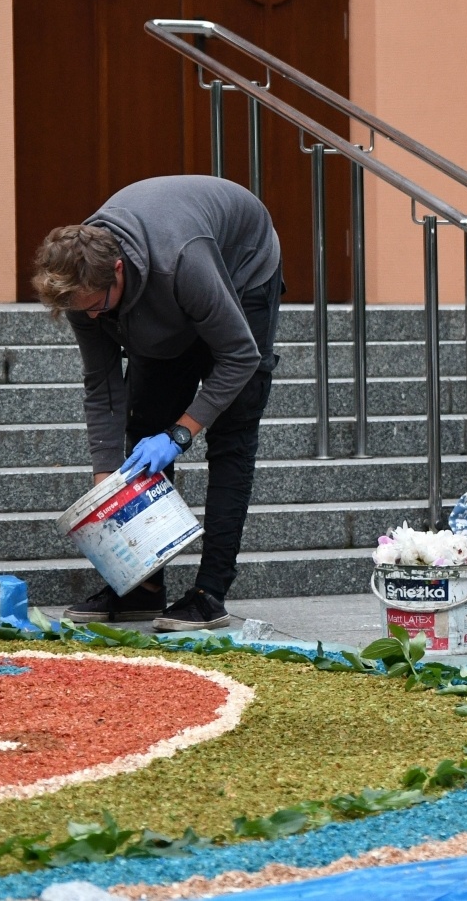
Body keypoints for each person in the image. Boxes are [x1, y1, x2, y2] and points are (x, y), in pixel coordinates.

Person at [32, 175, 282, 632]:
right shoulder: (85, 293)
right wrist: (108, 484)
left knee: (232, 434)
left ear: (118, 271)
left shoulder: (182, 261)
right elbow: (102, 385)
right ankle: (143, 588)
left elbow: (240, 356)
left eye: (96, 307)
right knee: (144, 421)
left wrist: (181, 432)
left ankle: (210, 592)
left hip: (242, 267)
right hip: (161, 292)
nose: (92, 317)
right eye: (83, 310)